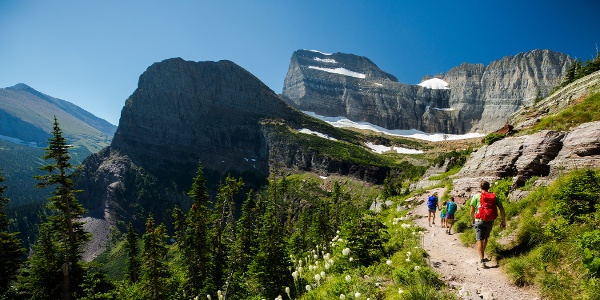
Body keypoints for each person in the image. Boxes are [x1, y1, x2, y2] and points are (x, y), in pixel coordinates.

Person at [470, 181, 506, 268]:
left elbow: (472, 209)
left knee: (479, 239)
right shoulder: (494, 196)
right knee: (485, 238)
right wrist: (503, 220)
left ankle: (482, 260)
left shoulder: (476, 196)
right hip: (490, 220)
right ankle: (483, 253)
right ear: (488, 187)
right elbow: (501, 208)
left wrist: (472, 219)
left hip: (479, 219)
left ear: (480, 187)